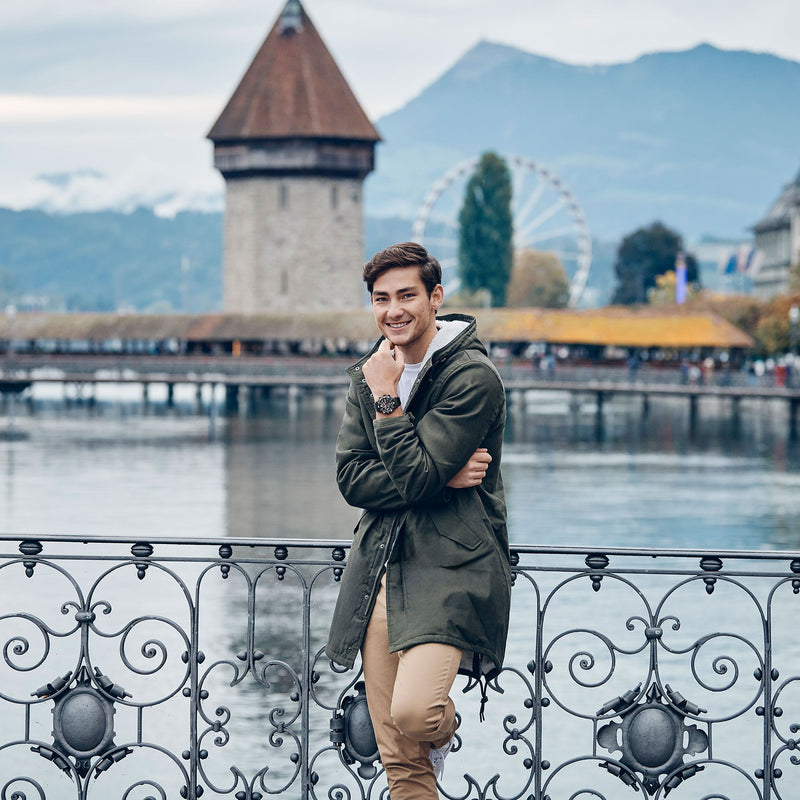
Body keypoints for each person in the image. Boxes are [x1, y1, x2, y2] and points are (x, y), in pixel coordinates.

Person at [325, 242, 511, 800]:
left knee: (415, 714)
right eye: (381, 299)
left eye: (407, 295)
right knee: (400, 762)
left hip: (452, 568)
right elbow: (352, 479)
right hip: (381, 565)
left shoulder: (473, 378)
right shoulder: (371, 370)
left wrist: (387, 401)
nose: (393, 310)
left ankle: (446, 733)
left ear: (436, 298)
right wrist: (434, 475)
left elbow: (412, 477)